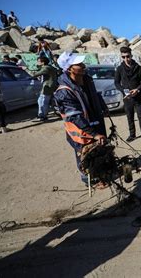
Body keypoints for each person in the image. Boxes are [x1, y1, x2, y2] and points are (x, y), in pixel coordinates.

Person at [53, 52, 108, 187]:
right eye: (78, 64)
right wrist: (93, 134)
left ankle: (101, 175)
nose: (83, 66)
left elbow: (95, 95)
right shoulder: (64, 91)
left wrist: (102, 106)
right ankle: (88, 179)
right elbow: (75, 116)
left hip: (96, 123)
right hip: (81, 132)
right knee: (84, 156)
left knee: (99, 152)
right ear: (69, 68)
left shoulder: (87, 79)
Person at [115, 47, 141, 142]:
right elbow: (116, 83)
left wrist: (137, 89)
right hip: (127, 98)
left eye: (128, 56)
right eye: (123, 57)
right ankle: (132, 134)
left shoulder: (138, 67)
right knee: (130, 117)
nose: (126, 59)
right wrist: (124, 91)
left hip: (138, 96)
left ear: (131, 55)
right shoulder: (120, 69)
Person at [22, 56, 58, 121]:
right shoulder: (47, 67)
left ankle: (43, 116)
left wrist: (26, 69)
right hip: (46, 87)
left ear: (43, 62)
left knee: (44, 101)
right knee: (40, 101)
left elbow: (34, 74)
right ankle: (41, 114)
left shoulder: (46, 68)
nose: (37, 62)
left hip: (48, 87)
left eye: (38, 61)